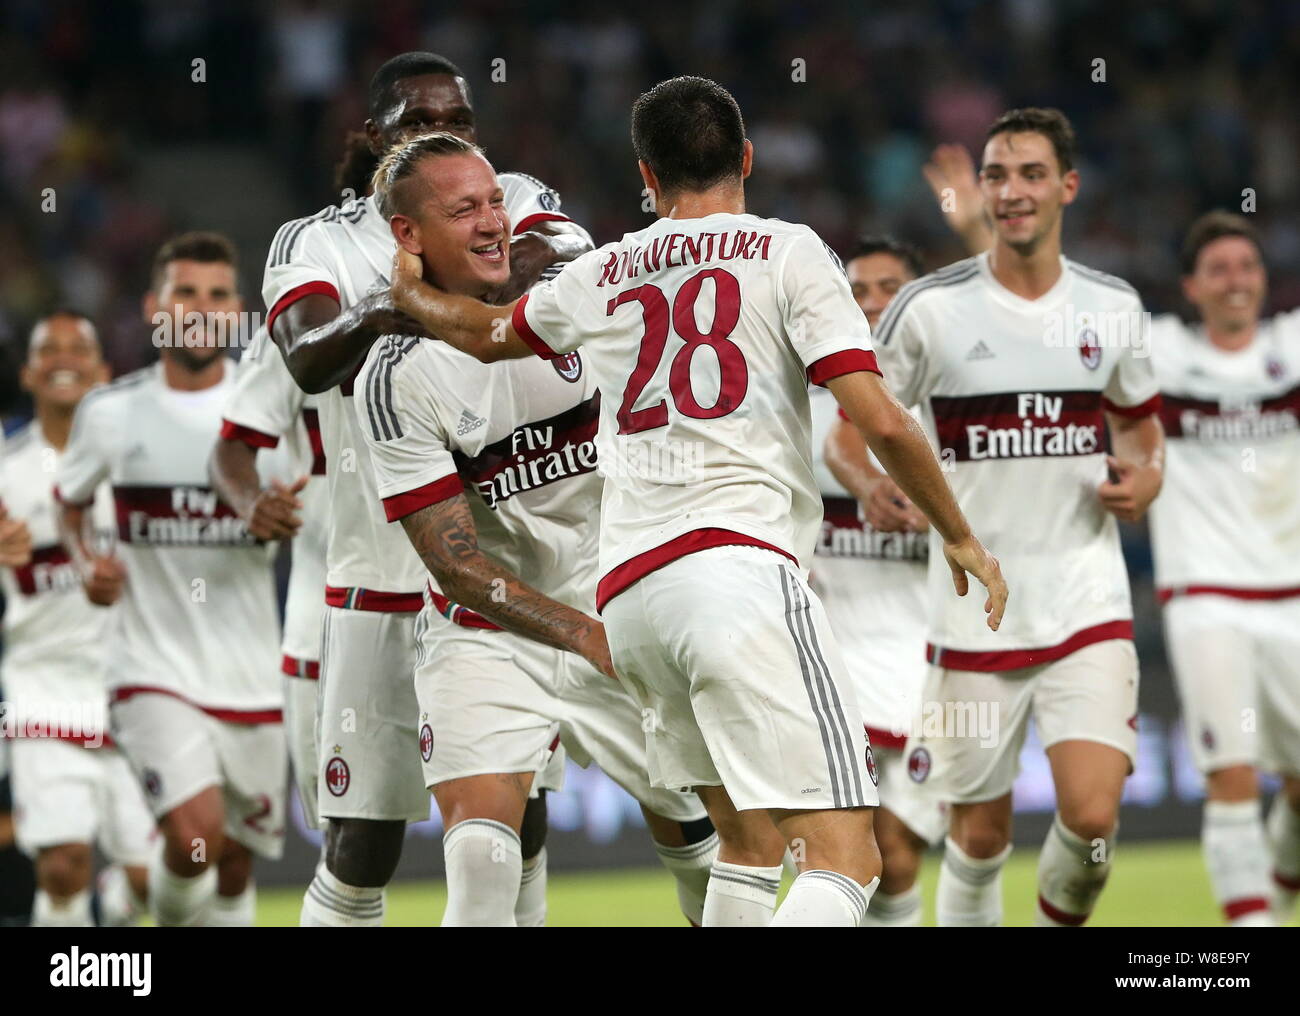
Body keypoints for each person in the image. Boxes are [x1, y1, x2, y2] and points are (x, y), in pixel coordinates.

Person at [385, 75, 1005, 927]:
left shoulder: (600, 271)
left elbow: (488, 335)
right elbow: (883, 423)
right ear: (746, 158)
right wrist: (961, 534)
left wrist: (412, 295)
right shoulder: (789, 250)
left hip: (632, 595)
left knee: (746, 847)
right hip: (739, 572)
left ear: (646, 177)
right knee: (846, 859)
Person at [263, 51, 594, 927]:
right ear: (374, 139)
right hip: (382, 573)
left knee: (515, 829)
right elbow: (305, 357)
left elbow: (562, 261)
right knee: (361, 843)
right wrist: (395, 303)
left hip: (506, 582)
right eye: (416, 121)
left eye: (460, 118)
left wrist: (414, 298)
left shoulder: (507, 193)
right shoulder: (315, 240)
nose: (443, 133)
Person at [356, 132, 717, 926]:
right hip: (490, 633)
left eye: (496, 203)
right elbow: (455, 566)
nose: (491, 225)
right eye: (464, 211)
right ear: (407, 237)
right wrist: (578, 635)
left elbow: (570, 237)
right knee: (484, 870)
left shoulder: (569, 299)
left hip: (619, 604)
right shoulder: (394, 378)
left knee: (709, 858)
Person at [879, 108, 1164, 926]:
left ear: (1068, 186)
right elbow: (860, 418)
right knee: (977, 835)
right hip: (974, 620)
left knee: (1093, 821)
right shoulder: (928, 310)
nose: (1013, 190)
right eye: (997, 174)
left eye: (1032, 173)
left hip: (1087, 603)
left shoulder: (1112, 307)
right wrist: (873, 483)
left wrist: (1146, 481)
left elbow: (1144, 429)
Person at [56, 233, 290, 927]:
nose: (200, 308)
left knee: (234, 865)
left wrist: (287, 517)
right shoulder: (111, 413)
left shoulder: (274, 416)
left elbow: (316, 504)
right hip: (150, 667)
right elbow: (70, 503)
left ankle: (127, 903)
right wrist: (84, 560)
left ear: (237, 311)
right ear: (155, 307)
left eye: (217, 295)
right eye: (185, 292)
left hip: (252, 672)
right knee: (196, 837)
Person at [1146, 211, 1300, 926]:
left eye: (1247, 266)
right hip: (1203, 592)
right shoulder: (1162, 353)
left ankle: (1279, 890)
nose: (1236, 280)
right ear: (1192, 286)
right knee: (1231, 775)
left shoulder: (1292, 348)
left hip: (1293, 593)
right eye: (1220, 269)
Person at [1, 311, 153, 927]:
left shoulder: (140, 469)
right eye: (49, 349)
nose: (64, 358)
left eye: (78, 349)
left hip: (131, 687)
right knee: (63, 863)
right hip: (42, 687)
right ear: (29, 373)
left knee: (156, 879)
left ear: (103, 372)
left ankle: (110, 912)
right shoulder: (6, 472)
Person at [815, 236, 950, 926]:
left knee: (899, 856)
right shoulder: (801, 407)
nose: (870, 303)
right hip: (831, 665)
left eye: (887, 288)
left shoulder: (946, 411)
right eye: (856, 290)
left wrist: (943, 523)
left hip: (931, 670)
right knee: (855, 850)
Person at [209, 325, 326, 834]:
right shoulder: (296, 321)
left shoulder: (475, 302)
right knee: (350, 845)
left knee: (509, 825)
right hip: (327, 614)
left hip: (465, 606)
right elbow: (229, 452)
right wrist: (251, 501)